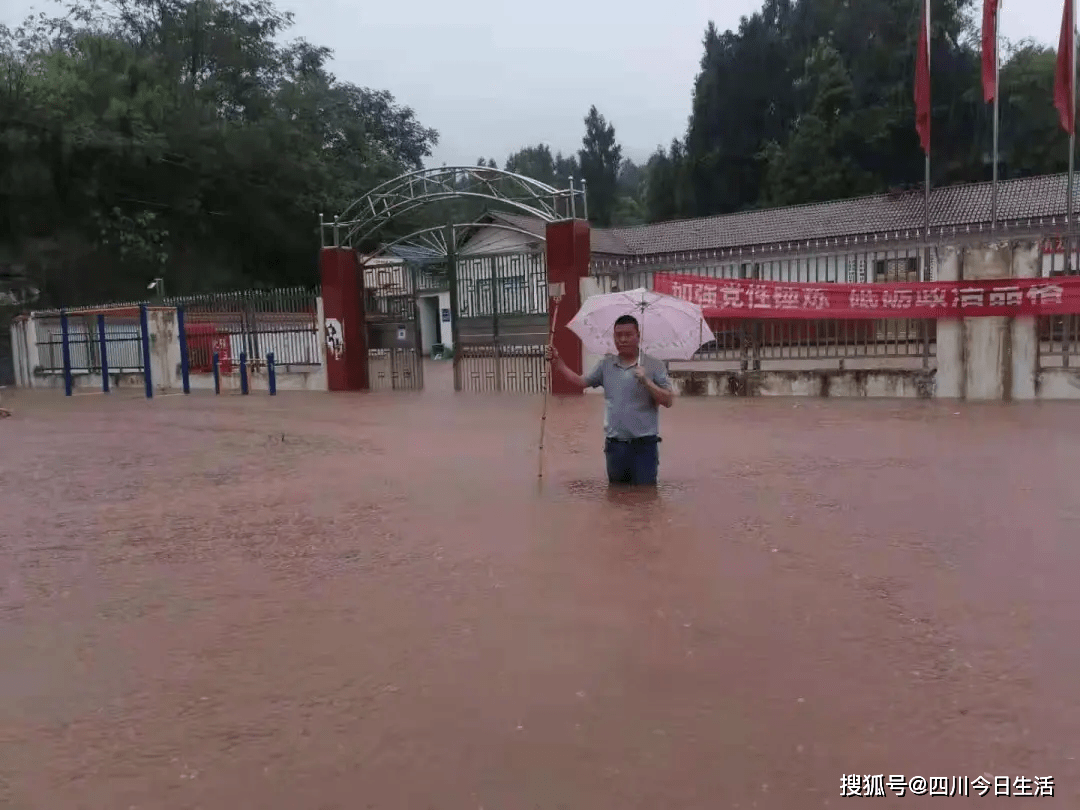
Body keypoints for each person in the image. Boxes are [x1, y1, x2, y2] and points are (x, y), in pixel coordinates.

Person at [546, 314, 674, 486]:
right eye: (618, 335)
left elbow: (668, 401)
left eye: (628, 335)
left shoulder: (654, 365)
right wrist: (558, 362)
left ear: (638, 336)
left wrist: (646, 381)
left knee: (646, 496)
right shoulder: (606, 365)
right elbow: (581, 382)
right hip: (616, 446)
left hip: (645, 447)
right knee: (616, 498)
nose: (622, 339)